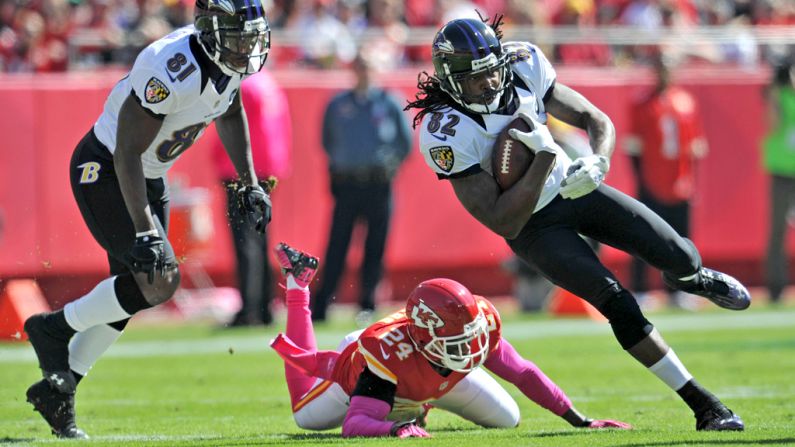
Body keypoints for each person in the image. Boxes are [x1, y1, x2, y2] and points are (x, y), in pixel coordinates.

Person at [405, 15, 749, 431]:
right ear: (451, 80)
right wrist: (544, 159)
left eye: (493, 72)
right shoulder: (445, 130)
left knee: (678, 253)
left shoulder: (523, 64)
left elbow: (596, 120)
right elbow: (503, 221)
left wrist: (598, 161)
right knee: (616, 302)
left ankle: (693, 279)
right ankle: (703, 405)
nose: (491, 84)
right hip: (533, 227)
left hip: (575, 190)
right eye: (477, 79)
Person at [23, 0, 273, 438]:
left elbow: (230, 112)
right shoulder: (171, 67)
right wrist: (145, 229)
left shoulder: (227, 63)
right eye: (238, 36)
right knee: (159, 280)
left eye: (251, 36)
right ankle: (51, 328)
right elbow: (125, 152)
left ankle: (58, 390)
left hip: (148, 175)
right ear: (211, 31)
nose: (246, 47)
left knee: (138, 291)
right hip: (105, 169)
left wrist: (249, 182)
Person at [269, 242, 631, 437]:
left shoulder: (475, 328)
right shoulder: (385, 355)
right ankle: (298, 286)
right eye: (458, 340)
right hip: (385, 373)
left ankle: (419, 404)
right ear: (427, 337)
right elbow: (355, 423)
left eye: (470, 336)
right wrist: (395, 429)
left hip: (432, 375)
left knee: (508, 419)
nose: (471, 348)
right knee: (307, 417)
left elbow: (522, 372)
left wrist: (579, 420)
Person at [312, 49, 412, 322]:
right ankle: (322, 304)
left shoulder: (389, 103)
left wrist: (388, 165)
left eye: (368, 67)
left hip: (378, 183)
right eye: (360, 67)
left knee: (375, 247)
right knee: (337, 246)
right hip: (347, 184)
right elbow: (327, 141)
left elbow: (405, 143)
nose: (364, 72)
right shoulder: (338, 105)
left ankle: (368, 303)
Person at [209, 68, 292, 326]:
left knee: (245, 241)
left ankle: (250, 307)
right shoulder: (269, 83)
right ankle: (265, 305)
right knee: (259, 239)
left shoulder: (241, 85)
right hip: (267, 169)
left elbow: (229, 125)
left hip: (243, 171)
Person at [624, 55, 708, 309]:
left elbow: (695, 148)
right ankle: (640, 289)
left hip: (680, 183)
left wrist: (690, 181)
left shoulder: (685, 102)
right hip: (652, 181)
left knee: (680, 241)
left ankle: (679, 290)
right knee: (643, 237)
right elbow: (634, 149)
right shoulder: (642, 104)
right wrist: (642, 183)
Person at [762, 57, 795, 304]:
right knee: (777, 231)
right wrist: (776, 90)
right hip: (783, 171)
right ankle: (776, 285)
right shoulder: (779, 97)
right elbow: (772, 125)